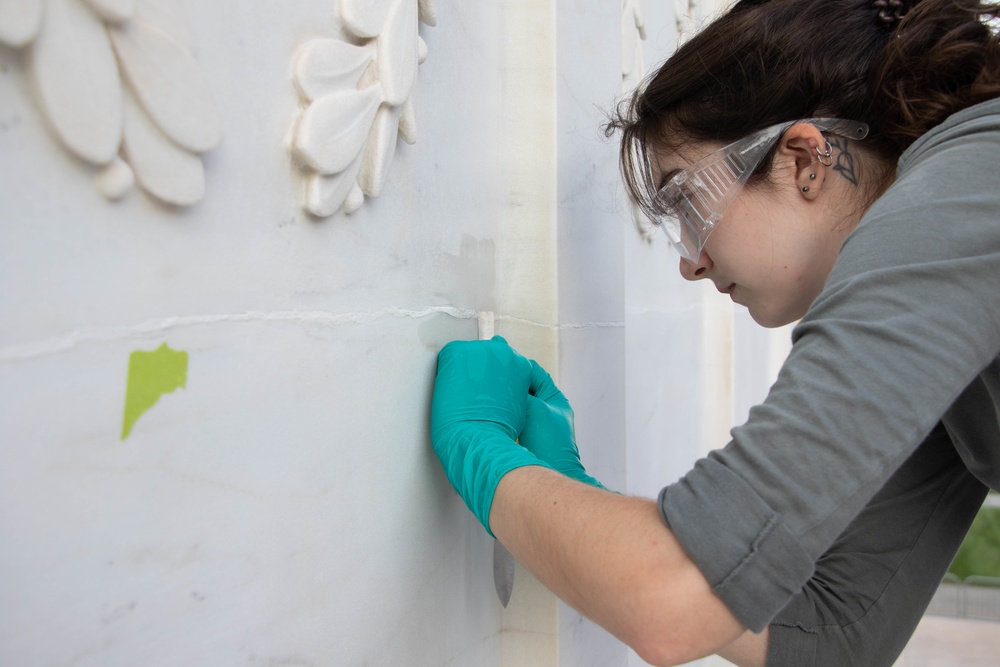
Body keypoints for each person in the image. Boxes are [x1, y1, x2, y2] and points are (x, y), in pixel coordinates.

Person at [430, 0, 1000, 665]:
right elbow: (833, 631)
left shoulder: (960, 194)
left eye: (687, 200)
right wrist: (565, 491)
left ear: (803, 160)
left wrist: (481, 451)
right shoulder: (947, 279)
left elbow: (672, 600)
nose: (690, 261)